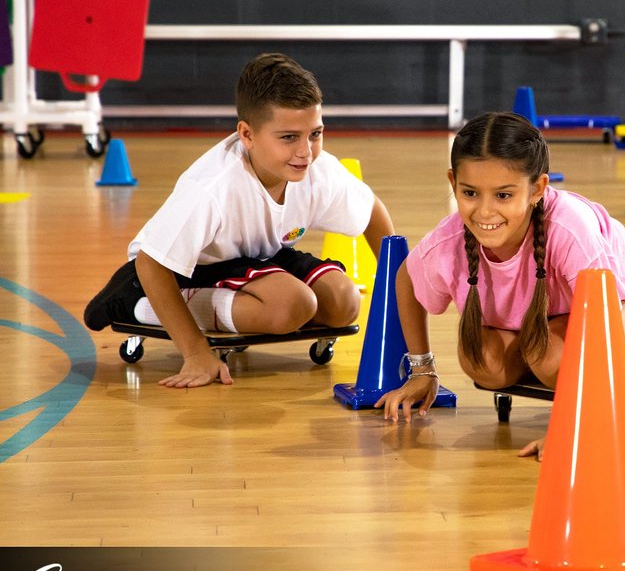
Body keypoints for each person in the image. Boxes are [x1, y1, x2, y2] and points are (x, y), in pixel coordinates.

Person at [374, 111, 625, 459]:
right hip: (539, 308)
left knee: (553, 362)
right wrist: (422, 370)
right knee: (482, 364)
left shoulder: (571, 230)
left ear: (537, 189)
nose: (484, 212)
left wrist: (572, 426)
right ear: (453, 182)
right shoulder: (449, 240)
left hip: (610, 294)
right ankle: (543, 346)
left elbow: (600, 328)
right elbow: (407, 279)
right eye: (470, 193)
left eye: (503, 195)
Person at [84, 52, 394, 388]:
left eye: (315, 133)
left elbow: (372, 212)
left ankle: (249, 309)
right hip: (186, 269)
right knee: (291, 305)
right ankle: (135, 304)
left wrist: (396, 295)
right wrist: (195, 351)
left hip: (261, 256)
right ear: (247, 135)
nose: (306, 151)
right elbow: (150, 262)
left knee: (345, 302)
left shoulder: (318, 169)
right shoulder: (212, 187)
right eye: (289, 137)